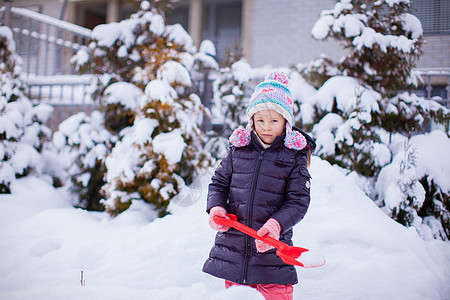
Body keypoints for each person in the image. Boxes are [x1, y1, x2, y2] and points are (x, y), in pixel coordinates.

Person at [203, 71, 316, 300]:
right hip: (234, 253)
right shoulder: (238, 151)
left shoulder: (293, 157)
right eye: (260, 119)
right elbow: (219, 183)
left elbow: (298, 201)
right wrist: (217, 208)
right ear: (251, 119)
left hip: (272, 254)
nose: (266, 126)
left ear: (286, 122)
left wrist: (276, 225)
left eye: (274, 120)